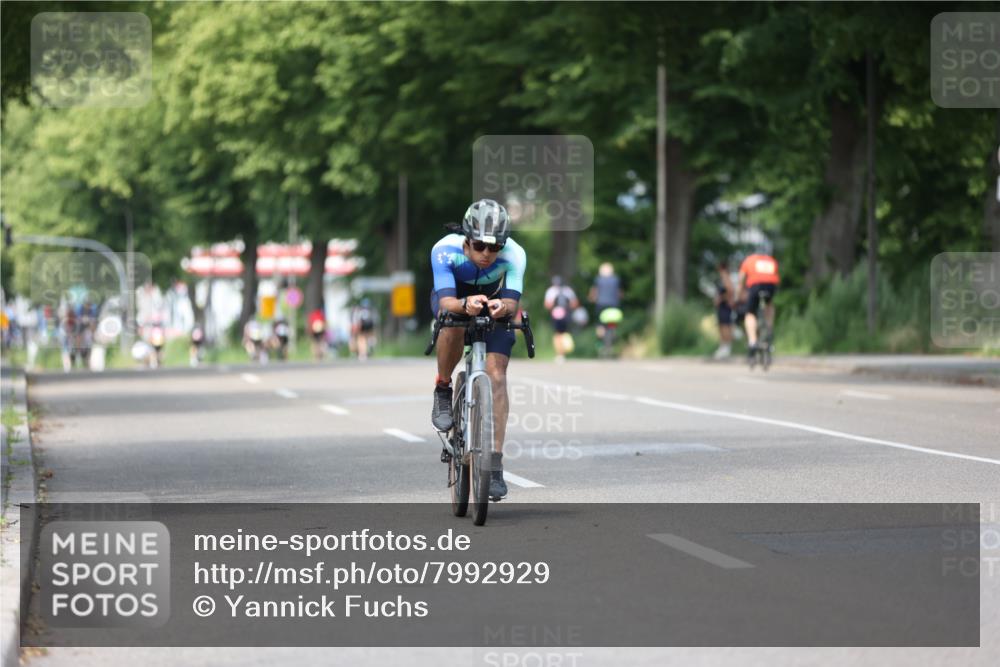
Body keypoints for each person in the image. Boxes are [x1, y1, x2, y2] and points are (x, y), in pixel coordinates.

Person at [429, 198, 526, 500]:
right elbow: (445, 301)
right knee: (451, 324)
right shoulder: (444, 250)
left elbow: (512, 301)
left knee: (497, 373)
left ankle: (494, 464)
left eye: (494, 247)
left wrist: (502, 307)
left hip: (494, 307)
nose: (487, 254)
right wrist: (464, 305)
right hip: (455, 301)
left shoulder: (515, 255)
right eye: (480, 246)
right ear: (467, 240)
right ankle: (443, 389)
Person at [736, 251, 780, 358]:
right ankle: (769, 327)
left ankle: (752, 341)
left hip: (755, 285)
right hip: (771, 286)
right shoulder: (771, 260)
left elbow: (741, 281)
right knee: (769, 305)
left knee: (750, 313)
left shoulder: (748, 260)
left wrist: (738, 297)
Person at [588, 262, 623, 355]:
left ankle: (600, 342)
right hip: (613, 305)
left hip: (601, 305)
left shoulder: (598, 279)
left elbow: (594, 292)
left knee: (600, 325)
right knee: (612, 323)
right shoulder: (616, 279)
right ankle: (612, 335)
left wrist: (591, 298)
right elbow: (619, 293)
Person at [543, 276, 579, 362]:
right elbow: (575, 303)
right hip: (567, 314)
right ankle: (563, 353)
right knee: (565, 333)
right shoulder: (568, 290)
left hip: (556, 315)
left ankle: (560, 354)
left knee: (557, 334)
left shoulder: (551, 291)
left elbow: (547, 305)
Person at [713, 261, 735, 360]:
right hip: (722, 306)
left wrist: (721, 299)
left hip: (725, 306)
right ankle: (723, 347)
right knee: (722, 326)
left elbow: (730, 290)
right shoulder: (723, 278)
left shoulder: (725, 277)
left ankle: (726, 347)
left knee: (725, 326)